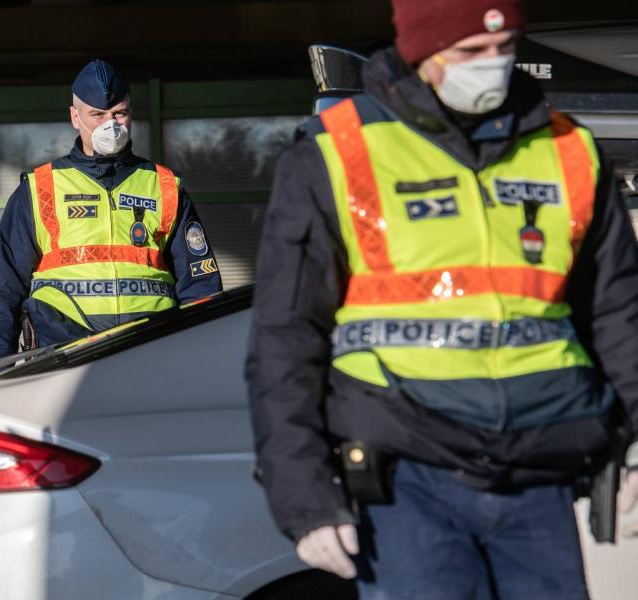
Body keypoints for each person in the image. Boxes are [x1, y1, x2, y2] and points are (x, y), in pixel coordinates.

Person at [246, 1, 638, 597]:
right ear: (421, 52)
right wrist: (303, 495)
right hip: (407, 475)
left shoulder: (569, 151)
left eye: (504, 48)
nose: (493, 66)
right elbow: (286, 335)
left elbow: (618, 315)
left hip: (540, 471)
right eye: (471, 53)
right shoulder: (336, 152)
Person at [0, 59, 222, 366]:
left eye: (119, 113)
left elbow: (201, 288)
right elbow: (0, 293)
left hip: (151, 353)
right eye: (97, 114)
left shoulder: (165, 186)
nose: (110, 125)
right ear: (75, 116)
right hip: (63, 357)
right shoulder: (39, 190)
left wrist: (208, 362)